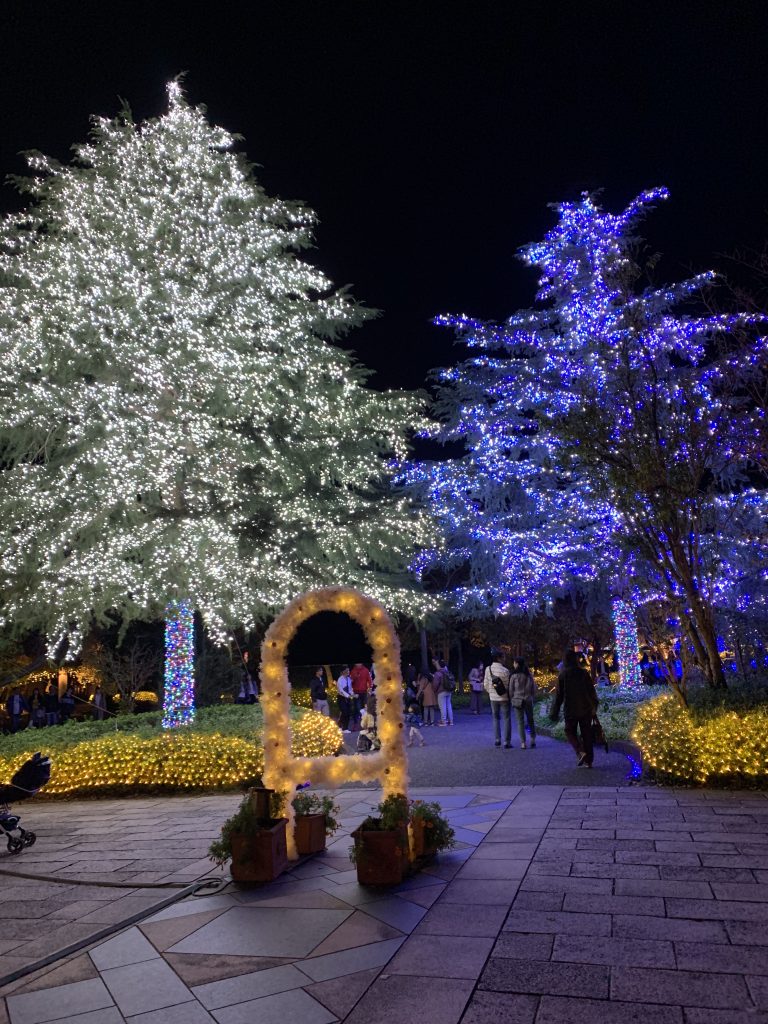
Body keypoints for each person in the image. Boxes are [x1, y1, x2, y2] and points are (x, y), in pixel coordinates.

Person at [550, 649, 598, 767]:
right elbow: (591, 691)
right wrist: (594, 705)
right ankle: (589, 761)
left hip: (570, 708)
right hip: (585, 708)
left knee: (569, 731)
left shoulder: (563, 675)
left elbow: (559, 696)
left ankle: (580, 751)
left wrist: (554, 713)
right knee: (586, 733)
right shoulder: (584, 673)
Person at [484, 650, 511, 748]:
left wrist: (491, 692)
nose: (505, 659)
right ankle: (507, 742)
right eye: (503, 657)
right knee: (507, 718)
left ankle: (497, 739)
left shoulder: (488, 669)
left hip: (493, 698)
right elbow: (508, 686)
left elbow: (486, 684)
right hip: (504, 698)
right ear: (499, 658)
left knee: (495, 718)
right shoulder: (505, 671)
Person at [509, 657, 537, 749]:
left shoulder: (514, 676)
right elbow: (533, 688)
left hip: (517, 700)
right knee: (530, 720)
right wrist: (532, 696)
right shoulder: (529, 675)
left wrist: (512, 697)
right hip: (528, 700)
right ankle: (532, 739)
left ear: (517, 664)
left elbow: (511, 690)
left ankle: (523, 743)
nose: (513, 664)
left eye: (514, 663)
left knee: (520, 722)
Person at [350, 663, 372, 730]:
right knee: (357, 708)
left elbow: (369, 680)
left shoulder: (365, 670)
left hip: (364, 692)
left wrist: (370, 688)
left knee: (364, 708)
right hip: (356, 693)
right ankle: (356, 724)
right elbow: (350, 682)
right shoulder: (353, 671)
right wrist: (354, 678)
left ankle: (365, 724)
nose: (358, 664)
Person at [433, 658, 454, 726]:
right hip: (449, 690)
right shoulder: (447, 671)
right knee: (449, 706)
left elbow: (435, 684)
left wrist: (434, 690)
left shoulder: (438, 673)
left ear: (439, 665)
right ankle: (451, 721)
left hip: (441, 692)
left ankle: (444, 721)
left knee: (443, 707)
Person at [336, 665, 353, 732]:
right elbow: (341, 690)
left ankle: (345, 728)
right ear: (343, 671)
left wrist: (353, 694)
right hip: (341, 698)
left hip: (347, 698)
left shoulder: (349, 679)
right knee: (344, 712)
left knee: (347, 713)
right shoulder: (340, 679)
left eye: (348, 670)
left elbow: (350, 689)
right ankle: (340, 726)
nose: (348, 672)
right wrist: (347, 695)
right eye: (347, 670)